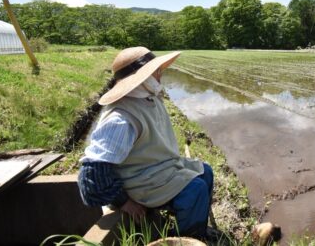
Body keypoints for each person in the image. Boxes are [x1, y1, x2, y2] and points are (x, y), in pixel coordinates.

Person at [78, 46, 214, 239]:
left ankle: (198, 228)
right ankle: (190, 239)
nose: (160, 74)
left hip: (157, 168)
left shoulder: (147, 96)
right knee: (196, 190)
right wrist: (123, 202)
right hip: (139, 181)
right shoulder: (121, 119)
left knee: (206, 172)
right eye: (155, 71)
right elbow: (92, 175)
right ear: (141, 78)